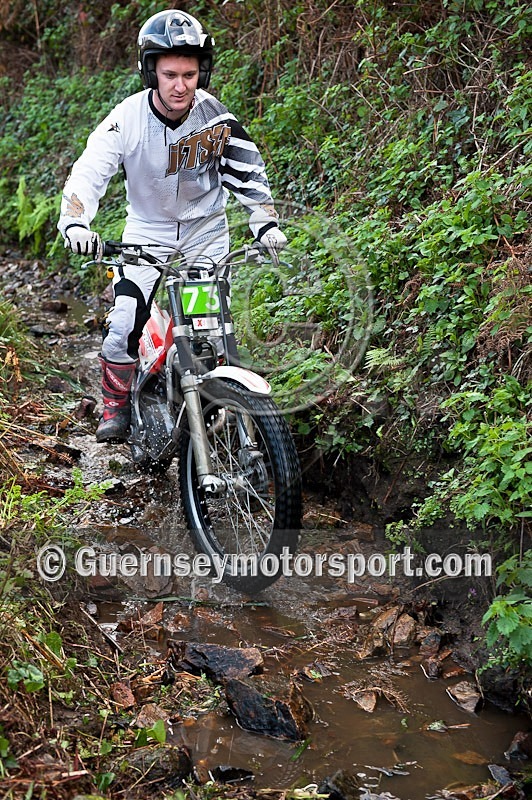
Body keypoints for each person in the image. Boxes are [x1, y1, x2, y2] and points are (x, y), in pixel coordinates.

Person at [57, 9, 287, 443]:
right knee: (124, 322)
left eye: (190, 74)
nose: (181, 85)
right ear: (150, 72)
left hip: (206, 233)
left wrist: (266, 224)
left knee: (211, 328)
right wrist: (75, 223)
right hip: (148, 232)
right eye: (170, 74)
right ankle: (117, 403)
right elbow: (89, 173)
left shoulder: (217, 119)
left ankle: (217, 412)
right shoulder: (125, 120)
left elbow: (250, 176)